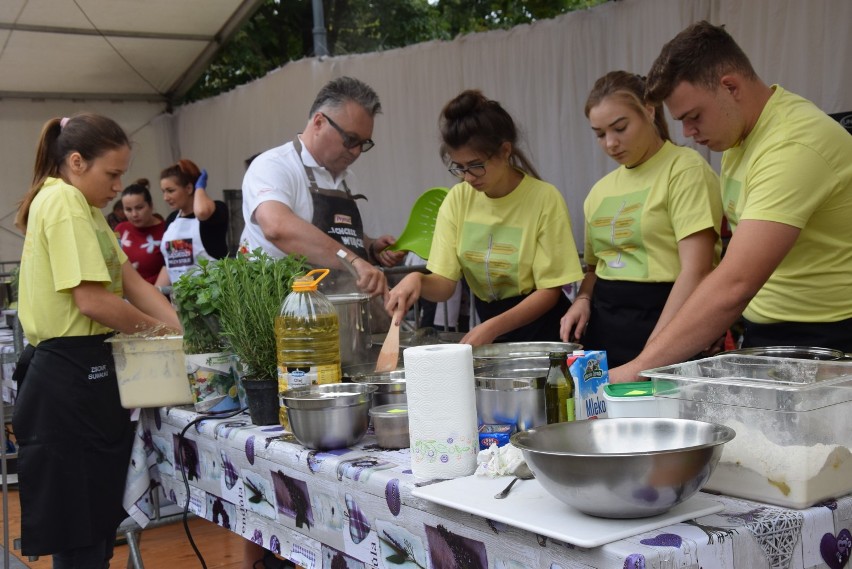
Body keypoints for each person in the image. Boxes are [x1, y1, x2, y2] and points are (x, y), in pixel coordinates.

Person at [610, 21, 852, 382]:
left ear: (730, 86)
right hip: (765, 333)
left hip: (827, 339)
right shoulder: (739, 137)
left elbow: (736, 282)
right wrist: (661, 351)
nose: (688, 134)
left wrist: (639, 369)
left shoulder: (792, 144)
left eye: (693, 117)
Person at [12, 113, 181, 566]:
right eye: (112, 174)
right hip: (66, 379)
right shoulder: (63, 201)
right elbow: (93, 301)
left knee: (94, 527)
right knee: (81, 535)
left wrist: (180, 333)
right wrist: (159, 333)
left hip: (84, 374)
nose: (118, 186)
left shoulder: (84, 208)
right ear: (76, 162)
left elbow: (130, 282)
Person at [385, 90, 584, 346]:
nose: (468, 177)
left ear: (504, 151)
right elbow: (445, 284)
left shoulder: (544, 198)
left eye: (476, 165)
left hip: (544, 333)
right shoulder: (457, 199)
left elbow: (549, 291)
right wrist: (417, 280)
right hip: (491, 328)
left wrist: (492, 327)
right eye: (459, 167)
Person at [558, 71, 722, 367]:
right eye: (599, 134)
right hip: (605, 326)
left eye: (620, 128)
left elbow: (696, 271)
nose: (610, 143)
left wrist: (652, 353)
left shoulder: (684, 170)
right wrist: (582, 299)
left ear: (649, 111)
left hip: (666, 320)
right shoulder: (599, 192)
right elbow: (595, 268)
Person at [239, 76, 405, 298]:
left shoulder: (349, 179)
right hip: (280, 306)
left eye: (364, 144)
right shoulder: (274, 165)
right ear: (318, 122)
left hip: (339, 307)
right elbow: (276, 226)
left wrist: (371, 248)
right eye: (350, 139)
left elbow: (337, 236)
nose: (356, 151)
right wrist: (353, 261)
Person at [155, 158, 229, 287]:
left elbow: (201, 212)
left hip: (214, 298)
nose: (165, 198)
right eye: (163, 191)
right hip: (181, 300)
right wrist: (155, 294)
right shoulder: (172, 219)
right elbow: (168, 265)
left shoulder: (216, 210)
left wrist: (199, 188)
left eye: (170, 191)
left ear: (189, 188)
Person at [114, 178, 166, 284]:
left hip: (159, 293)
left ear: (151, 206)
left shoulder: (166, 231)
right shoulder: (120, 229)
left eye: (139, 208)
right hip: (126, 296)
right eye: (128, 209)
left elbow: (172, 269)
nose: (134, 214)